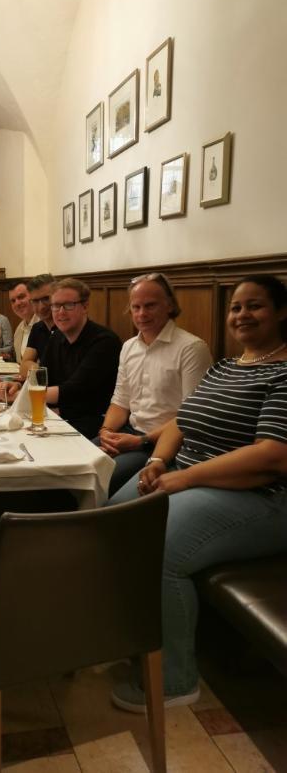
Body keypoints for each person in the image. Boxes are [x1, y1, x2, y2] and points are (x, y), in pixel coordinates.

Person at [108, 274, 287, 713]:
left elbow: (272, 456)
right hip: (187, 473)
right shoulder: (226, 366)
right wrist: (156, 463)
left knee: (161, 548)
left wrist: (184, 479)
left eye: (255, 306)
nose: (242, 315)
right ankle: (138, 635)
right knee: (111, 517)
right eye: (236, 308)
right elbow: (180, 423)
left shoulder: (283, 373)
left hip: (261, 497)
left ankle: (175, 679)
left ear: (282, 312)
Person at [98, 273, 212, 495]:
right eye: (136, 307)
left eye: (150, 305)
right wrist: (106, 431)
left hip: (162, 444)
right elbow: (120, 401)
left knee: (101, 476)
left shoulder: (191, 348)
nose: (142, 314)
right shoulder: (129, 346)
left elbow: (190, 416)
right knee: (76, 465)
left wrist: (140, 441)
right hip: (128, 433)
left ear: (169, 305)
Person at [38, 278, 121, 439]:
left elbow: (75, 390)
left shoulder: (105, 341)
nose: (61, 312)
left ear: (85, 306)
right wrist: (14, 386)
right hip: (60, 417)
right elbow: (41, 378)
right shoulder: (57, 337)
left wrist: (25, 394)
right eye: (56, 305)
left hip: (95, 422)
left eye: (68, 305)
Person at [19, 274, 56, 376]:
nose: (41, 306)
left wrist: (35, 369)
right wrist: (42, 370)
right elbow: (23, 367)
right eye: (35, 301)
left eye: (46, 299)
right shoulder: (37, 328)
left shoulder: (66, 328)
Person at [8, 279, 38, 363]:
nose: (17, 303)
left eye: (21, 297)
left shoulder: (46, 325)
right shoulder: (18, 330)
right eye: (13, 301)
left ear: (32, 296)